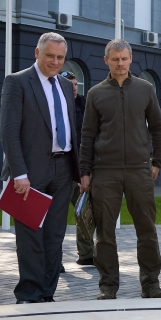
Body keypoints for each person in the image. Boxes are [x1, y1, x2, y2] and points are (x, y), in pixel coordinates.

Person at [78, 39, 161, 300]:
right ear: (106, 60)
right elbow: (87, 135)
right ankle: (108, 285)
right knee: (105, 233)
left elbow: (159, 128)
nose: (120, 63)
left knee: (147, 229)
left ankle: (151, 284)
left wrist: (157, 162)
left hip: (140, 171)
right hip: (105, 172)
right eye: (115, 59)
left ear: (131, 59)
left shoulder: (145, 89)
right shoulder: (95, 94)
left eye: (124, 58)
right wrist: (85, 171)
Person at [0, 32, 79, 303]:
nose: (55, 62)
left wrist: (80, 172)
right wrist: (18, 173)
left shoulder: (67, 86)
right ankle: (29, 292)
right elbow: (9, 131)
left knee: (55, 235)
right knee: (31, 233)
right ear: (37, 53)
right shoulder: (17, 82)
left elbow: (71, 129)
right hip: (31, 172)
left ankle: (47, 293)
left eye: (60, 57)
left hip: (63, 169)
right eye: (50, 56)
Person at [62, 71, 95, 267]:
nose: (74, 88)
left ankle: (86, 253)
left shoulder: (84, 104)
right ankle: (54, 260)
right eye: (70, 85)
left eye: (76, 84)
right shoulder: (55, 104)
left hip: (81, 169)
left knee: (85, 211)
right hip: (59, 169)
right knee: (55, 218)